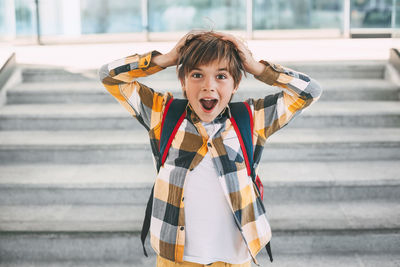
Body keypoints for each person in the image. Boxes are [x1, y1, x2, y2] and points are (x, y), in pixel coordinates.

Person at [99, 31, 322, 267]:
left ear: (235, 84)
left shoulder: (252, 119)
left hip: (234, 260)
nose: (208, 86)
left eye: (221, 76)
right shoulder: (161, 114)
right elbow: (109, 76)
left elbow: (310, 91)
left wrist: (257, 68)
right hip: (175, 258)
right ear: (183, 82)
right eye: (197, 75)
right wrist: (165, 59)